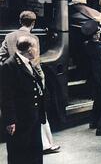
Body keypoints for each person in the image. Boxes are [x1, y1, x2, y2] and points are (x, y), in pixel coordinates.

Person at [0, 10, 60, 155]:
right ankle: (45, 144)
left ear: (20, 21)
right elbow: (35, 61)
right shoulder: (33, 38)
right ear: (33, 23)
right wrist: (42, 80)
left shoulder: (9, 36)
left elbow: (1, 55)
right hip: (30, 76)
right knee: (39, 110)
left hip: (15, 77)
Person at [0, 36, 46, 164]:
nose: (36, 50)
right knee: (18, 154)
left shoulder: (27, 63)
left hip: (32, 117)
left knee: (34, 151)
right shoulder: (10, 66)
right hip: (19, 119)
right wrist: (10, 121)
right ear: (29, 49)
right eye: (35, 47)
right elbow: (6, 97)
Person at [82, 20, 101, 137]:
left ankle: (93, 121)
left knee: (97, 99)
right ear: (96, 34)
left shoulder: (87, 45)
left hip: (93, 77)